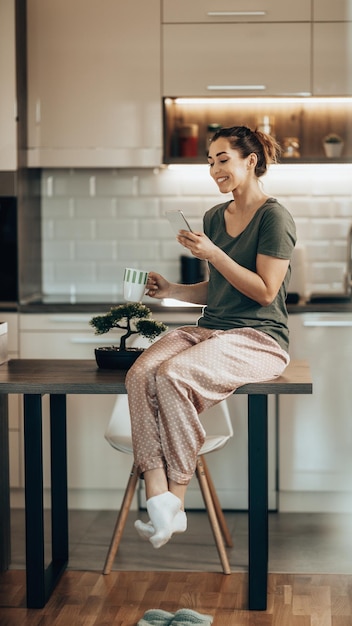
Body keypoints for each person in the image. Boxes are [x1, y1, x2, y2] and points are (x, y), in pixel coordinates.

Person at [125, 125, 296, 549]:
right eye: (210, 161)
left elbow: (264, 290)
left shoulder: (275, 217)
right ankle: (158, 497)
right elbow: (217, 287)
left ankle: (176, 501)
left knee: (174, 375)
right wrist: (172, 292)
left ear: (250, 161)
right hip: (210, 328)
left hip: (258, 337)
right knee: (142, 372)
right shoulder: (213, 218)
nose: (214, 169)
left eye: (223, 159)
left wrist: (214, 253)